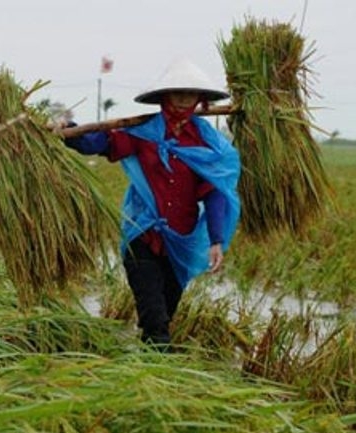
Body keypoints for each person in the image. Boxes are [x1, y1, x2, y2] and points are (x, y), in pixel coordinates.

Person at [63, 57, 241, 352]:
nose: (183, 98)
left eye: (190, 92)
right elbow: (101, 143)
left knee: (163, 316)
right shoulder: (143, 133)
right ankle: (163, 381)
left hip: (179, 244)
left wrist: (217, 240)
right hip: (142, 236)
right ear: (163, 96)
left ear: (200, 99)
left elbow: (215, 193)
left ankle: (145, 375)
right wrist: (69, 132)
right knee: (155, 322)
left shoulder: (208, 144)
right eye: (177, 91)